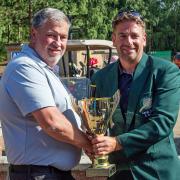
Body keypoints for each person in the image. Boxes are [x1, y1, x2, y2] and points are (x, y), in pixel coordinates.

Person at [0, 8, 92, 180]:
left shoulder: (44, 69)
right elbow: (52, 122)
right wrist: (90, 144)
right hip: (37, 174)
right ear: (34, 34)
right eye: (52, 35)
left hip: (49, 174)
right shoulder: (24, 67)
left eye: (63, 37)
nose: (58, 42)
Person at [90, 9, 180, 180]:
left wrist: (118, 143)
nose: (128, 41)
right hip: (117, 171)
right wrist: (93, 142)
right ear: (114, 39)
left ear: (144, 39)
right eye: (122, 36)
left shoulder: (165, 71)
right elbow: (95, 121)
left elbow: (162, 123)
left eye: (134, 36)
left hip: (155, 171)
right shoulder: (100, 78)